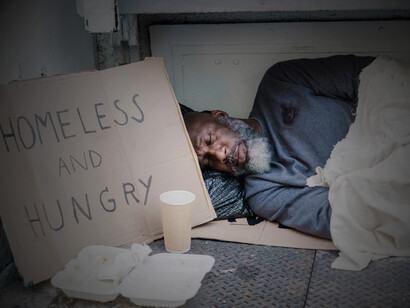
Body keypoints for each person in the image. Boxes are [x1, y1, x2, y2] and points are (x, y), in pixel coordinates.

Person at [183, 55, 375, 239]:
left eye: (209, 140)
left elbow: (372, 75)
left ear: (221, 116)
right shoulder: (263, 193)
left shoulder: (280, 81)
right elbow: (343, 217)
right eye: (207, 162)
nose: (219, 155)